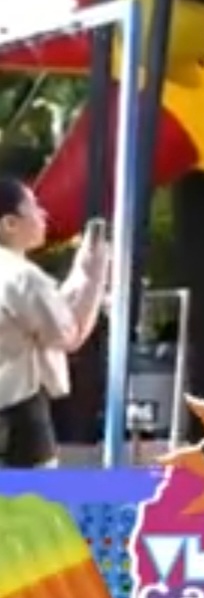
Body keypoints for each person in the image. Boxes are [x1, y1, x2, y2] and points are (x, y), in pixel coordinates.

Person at [0, 181, 109, 468]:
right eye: (34, 207)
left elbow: (54, 313)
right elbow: (67, 333)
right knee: (32, 493)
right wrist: (93, 271)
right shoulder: (22, 277)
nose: (43, 214)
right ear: (10, 223)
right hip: (18, 413)